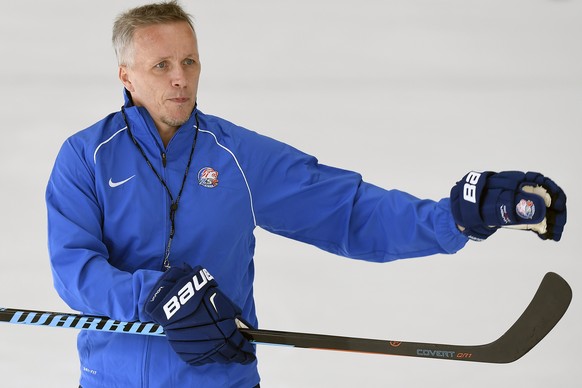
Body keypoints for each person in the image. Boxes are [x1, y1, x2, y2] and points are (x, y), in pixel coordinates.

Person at [45, 1, 567, 387]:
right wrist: (155, 297)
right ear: (126, 75)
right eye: (162, 65)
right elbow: (74, 271)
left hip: (217, 381)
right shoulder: (85, 158)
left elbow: (347, 211)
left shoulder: (235, 156)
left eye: (190, 62)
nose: (181, 79)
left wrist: (454, 218)